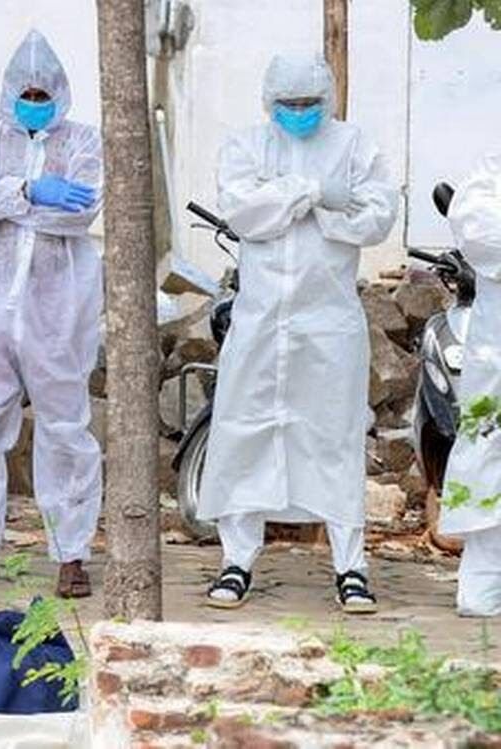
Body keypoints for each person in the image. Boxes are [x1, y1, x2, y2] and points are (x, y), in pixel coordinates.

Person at [198, 52, 398, 613]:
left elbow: (377, 215)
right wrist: (310, 192)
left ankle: (351, 568)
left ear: (327, 99)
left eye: (310, 103)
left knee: (335, 438)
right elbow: (244, 215)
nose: (300, 112)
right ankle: (236, 561)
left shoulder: (355, 146)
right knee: (242, 432)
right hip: (261, 319)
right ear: (270, 102)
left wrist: (302, 203)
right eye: (289, 104)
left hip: (328, 322)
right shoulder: (245, 147)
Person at [0, 29, 103, 599]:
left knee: (66, 427)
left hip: (58, 307)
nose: (35, 101)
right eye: (26, 93)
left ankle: (71, 555)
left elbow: (80, 213)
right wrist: (28, 190)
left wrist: (0, 200)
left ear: (61, 92)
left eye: (43, 93)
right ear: (9, 92)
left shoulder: (84, 142)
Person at [438, 152, 501, 617]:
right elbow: (477, 228)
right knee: (489, 452)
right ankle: (485, 578)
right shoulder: (493, 172)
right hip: (497, 356)